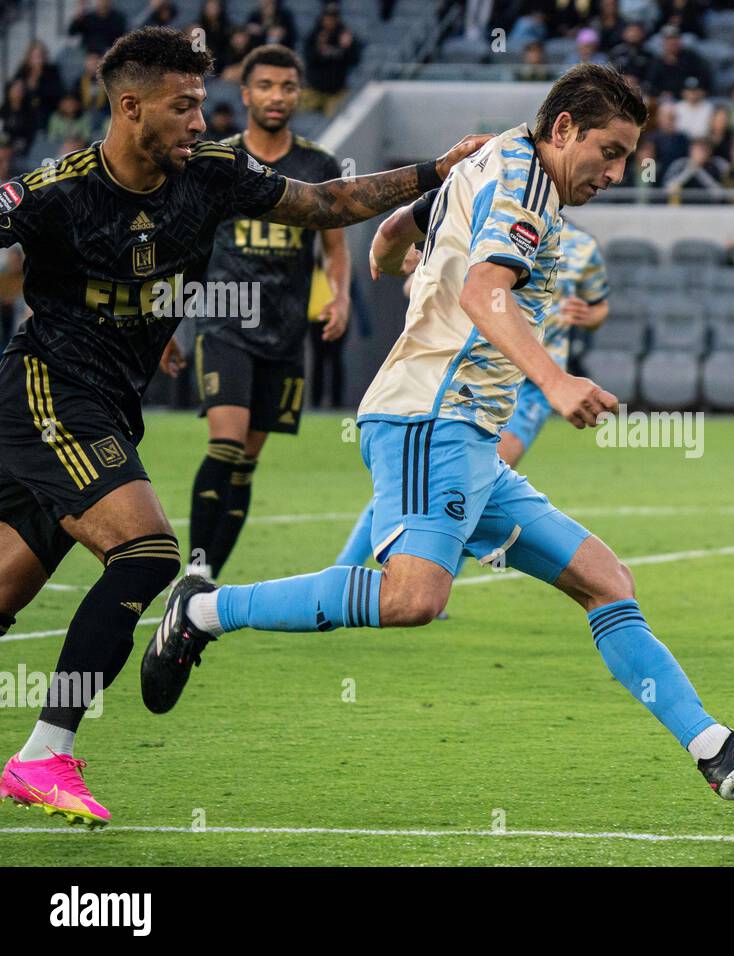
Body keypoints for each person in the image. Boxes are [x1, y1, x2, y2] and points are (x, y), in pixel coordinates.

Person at [147, 64, 734, 812]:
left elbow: (419, 215)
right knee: (412, 599)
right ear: (564, 129)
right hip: (431, 416)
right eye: (610, 151)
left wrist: (396, 237)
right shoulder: (528, 181)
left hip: (469, 432)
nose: (618, 171)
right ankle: (202, 611)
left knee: (606, 581)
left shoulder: (498, 154)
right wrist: (556, 381)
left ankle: (714, 750)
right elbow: (482, 289)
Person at [0, 26, 485, 827]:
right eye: (182, 106)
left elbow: (327, 204)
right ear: (129, 108)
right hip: (46, 391)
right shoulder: (60, 191)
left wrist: (435, 170)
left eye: (203, 104)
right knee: (148, 551)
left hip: (107, 407)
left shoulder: (215, 173)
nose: (200, 121)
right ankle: (45, 753)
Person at [336, 217, 612, 569]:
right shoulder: (491, 225)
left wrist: (588, 315)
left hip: (534, 384)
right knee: (432, 478)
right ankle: (349, 566)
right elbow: (419, 284)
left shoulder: (582, 245)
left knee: (475, 481)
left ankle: (436, 580)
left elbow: (599, 305)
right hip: (475, 374)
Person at [186, 44, 349, 583]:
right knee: (226, 444)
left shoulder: (318, 165)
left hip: (284, 332)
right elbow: (186, 240)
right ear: (246, 92)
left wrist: (341, 295)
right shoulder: (216, 159)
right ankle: (195, 567)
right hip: (224, 322)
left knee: (247, 464)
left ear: (298, 93)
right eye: (265, 86)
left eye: (287, 86)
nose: (277, 96)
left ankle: (205, 583)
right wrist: (167, 318)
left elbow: (335, 243)